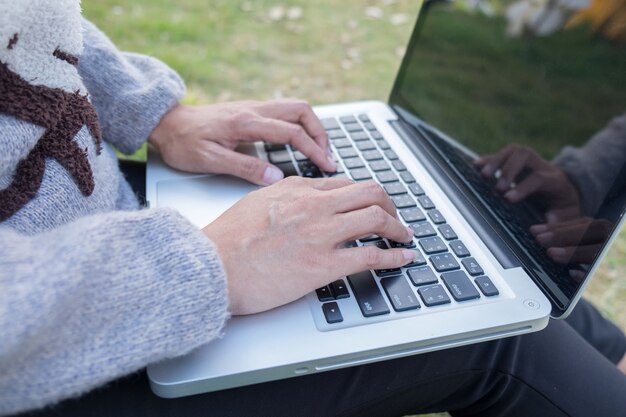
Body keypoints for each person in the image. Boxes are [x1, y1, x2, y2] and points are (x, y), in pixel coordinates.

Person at [1, 1, 625, 416]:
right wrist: (204, 263)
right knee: (505, 340)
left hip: (102, 223)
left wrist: (158, 113)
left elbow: (26, 28)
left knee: (517, 276)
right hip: (56, 354)